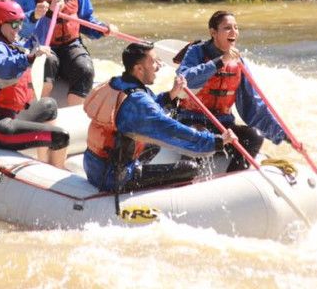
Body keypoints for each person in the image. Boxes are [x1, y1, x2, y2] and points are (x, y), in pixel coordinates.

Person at [83, 41, 237, 193]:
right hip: (114, 177)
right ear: (139, 69)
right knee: (189, 168)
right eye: (154, 62)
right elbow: (173, 131)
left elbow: (147, 110)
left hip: (95, 166)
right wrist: (216, 141)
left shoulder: (119, 83)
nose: (159, 66)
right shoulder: (138, 102)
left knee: (154, 144)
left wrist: (171, 94)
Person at [176, 10, 293, 171]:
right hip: (192, 121)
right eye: (227, 28)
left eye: (236, 28)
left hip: (223, 124)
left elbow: (254, 105)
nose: (234, 32)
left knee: (253, 136)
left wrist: (283, 134)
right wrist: (219, 62)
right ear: (213, 32)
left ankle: (233, 176)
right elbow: (185, 78)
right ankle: (185, 174)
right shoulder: (196, 51)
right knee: (201, 136)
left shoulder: (238, 62)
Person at [13, 0, 118, 106]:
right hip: (39, 44)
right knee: (49, 61)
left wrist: (103, 29)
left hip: (71, 45)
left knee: (85, 69)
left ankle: (72, 119)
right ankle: (35, 110)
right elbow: (17, 28)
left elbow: (86, 19)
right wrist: (36, 15)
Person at [0, 0, 70, 168]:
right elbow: (1, 68)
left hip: (10, 114)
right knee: (61, 136)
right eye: (14, 24)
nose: (19, 27)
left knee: (49, 105)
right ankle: (58, 175)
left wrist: (50, 13)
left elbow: (36, 37)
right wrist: (30, 57)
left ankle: (43, 163)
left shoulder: (12, 44)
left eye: (20, 22)